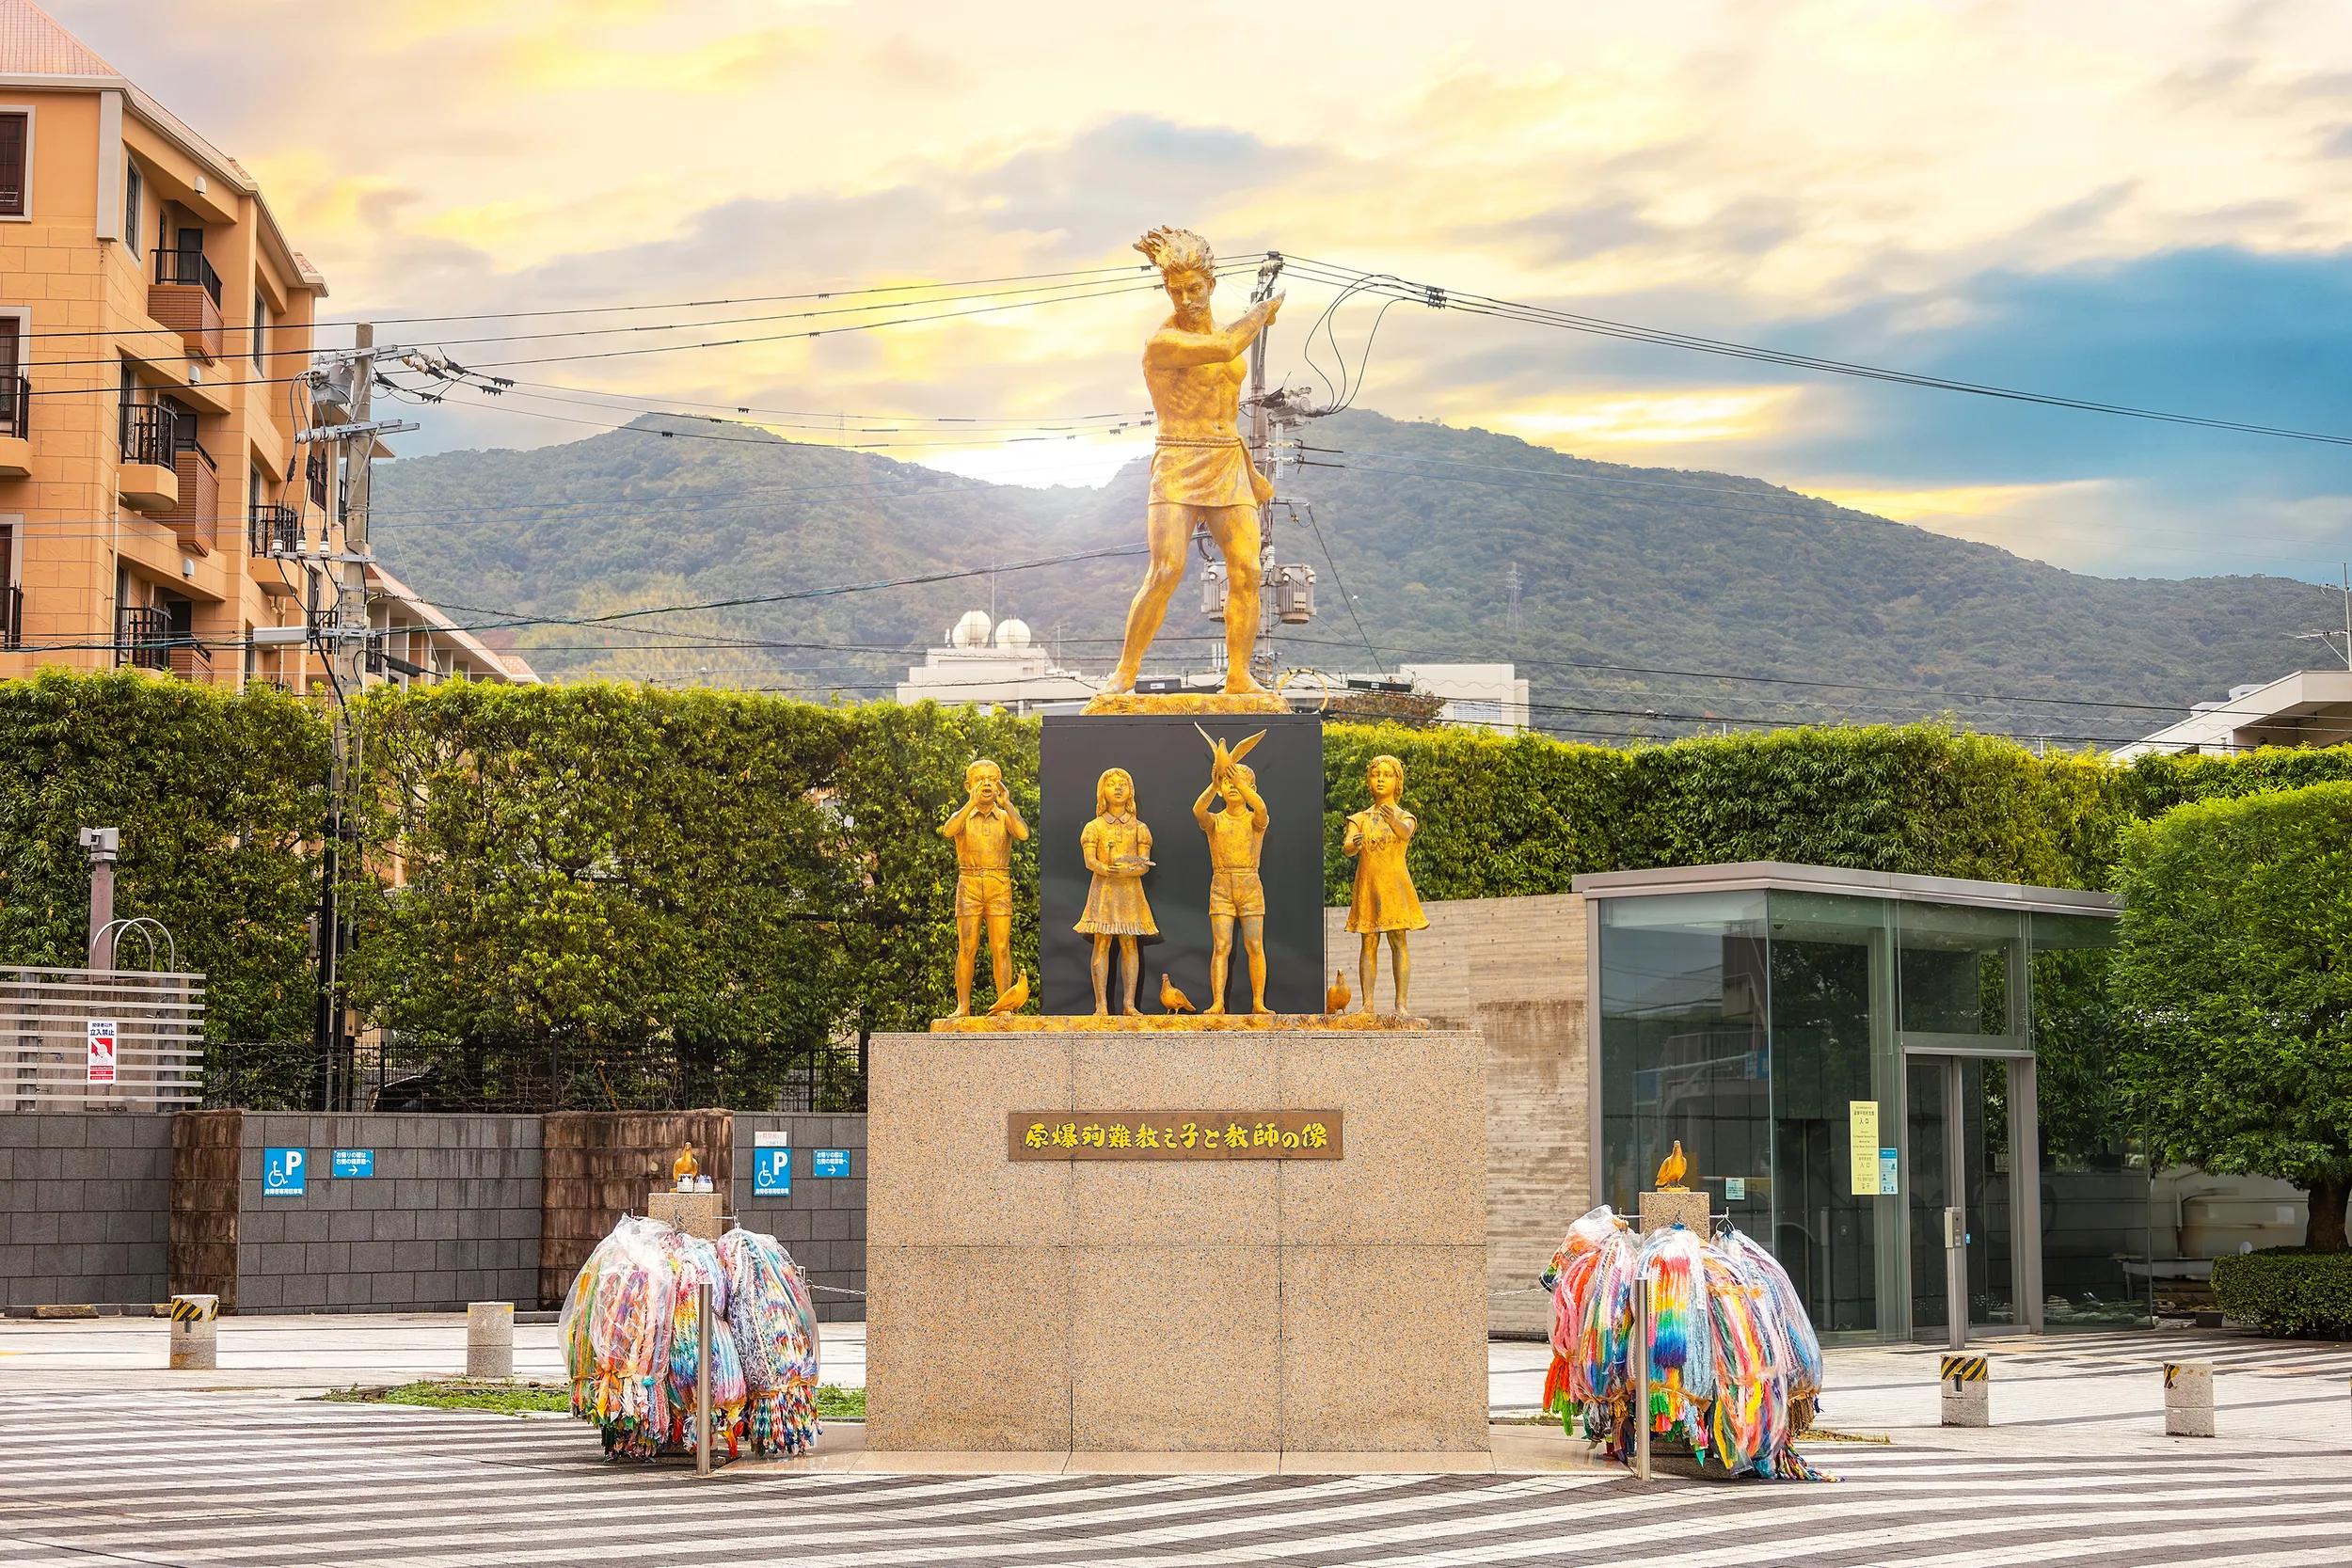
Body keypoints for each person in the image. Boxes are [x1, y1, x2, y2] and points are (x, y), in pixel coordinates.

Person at [1104, 226, 1284, 696]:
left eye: (1194, 288)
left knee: (1247, 570)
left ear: (1211, 284)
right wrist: (1263, 312)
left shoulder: (1224, 336)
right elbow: (1226, 347)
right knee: (1166, 569)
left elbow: (1227, 360)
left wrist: (1251, 472)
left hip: (1227, 459)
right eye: (1175, 289)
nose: (1185, 298)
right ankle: (1125, 671)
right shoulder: (1163, 344)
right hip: (1179, 459)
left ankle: (1239, 676)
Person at [937, 758, 1027, 1019]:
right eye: (980, 780)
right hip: (970, 883)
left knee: (1001, 947)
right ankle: (963, 1006)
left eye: (992, 779)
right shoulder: (963, 816)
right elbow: (948, 830)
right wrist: (971, 803)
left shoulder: (1003, 816)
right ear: (968, 785)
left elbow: (1023, 834)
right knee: (967, 947)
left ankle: (1005, 1008)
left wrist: (1007, 804)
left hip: (999, 883)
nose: (986, 784)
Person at [1343, 753, 1427, 1014]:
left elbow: (1405, 833)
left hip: (1394, 884)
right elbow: (1347, 847)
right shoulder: (1360, 818)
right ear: (1368, 781)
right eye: (1375, 775)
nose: (1380, 780)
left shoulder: (1405, 816)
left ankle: (1401, 1003)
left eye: (1387, 775)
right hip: (1368, 885)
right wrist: (1353, 845)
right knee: (1368, 941)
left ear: (1397, 781)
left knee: (1398, 939)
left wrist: (1392, 820)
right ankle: (1367, 1003)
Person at [1192, 752, 1270, 1015]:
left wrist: (1242, 784)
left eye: (1240, 782)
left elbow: (1261, 808)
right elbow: (1198, 810)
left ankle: (1258, 1002)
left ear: (1251, 788)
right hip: (1222, 884)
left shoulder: (1254, 820)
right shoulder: (1216, 820)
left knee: (1255, 945)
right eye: (1229, 782)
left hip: (1249, 883)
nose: (1233, 786)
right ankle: (1218, 1002)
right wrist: (1214, 785)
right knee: (1221, 946)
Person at [1075, 768, 1156, 1017]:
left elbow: (1144, 863)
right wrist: (1105, 867)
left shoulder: (1139, 827)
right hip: (1105, 890)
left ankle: (1129, 1004)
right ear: (1103, 792)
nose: (1119, 788)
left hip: (1130, 891)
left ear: (1130, 791)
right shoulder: (1094, 827)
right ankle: (1101, 1005)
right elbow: (1090, 860)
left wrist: (1128, 869)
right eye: (1112, 784)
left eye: (1123, 784)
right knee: (1102, 942)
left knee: (1130, 943)